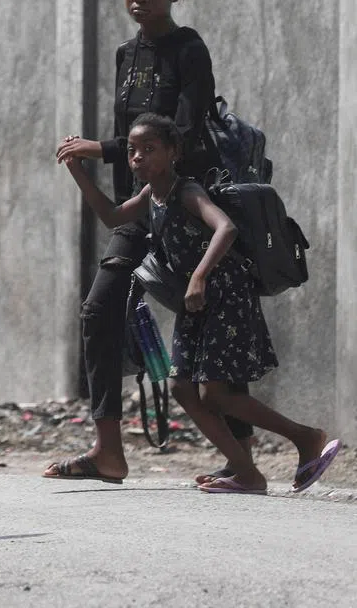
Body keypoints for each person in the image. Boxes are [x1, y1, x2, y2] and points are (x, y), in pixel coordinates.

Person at [48, 0, 255, 485]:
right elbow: (139, 138)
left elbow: (183, 133)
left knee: (212, 327)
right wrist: (117, 188)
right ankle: (108, 451)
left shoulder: (190, 49)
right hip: (141, 210)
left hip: (185, 203)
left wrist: (104, 148)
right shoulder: (126, 54)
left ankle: (243, 454)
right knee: (99, 310)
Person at [61, 113, 340, 494]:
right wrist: (78, 172)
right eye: (132, 151)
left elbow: (226, 227)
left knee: (216, 393)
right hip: (197, 304)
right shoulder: (150, 195)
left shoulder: (186, 190)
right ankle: (247, 473)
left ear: (173, 152)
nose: (138, 157)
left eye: (149, 149)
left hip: (223, 295)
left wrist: (199, 276)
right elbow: (112, 216)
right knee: (182, 389)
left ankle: (305, 438)